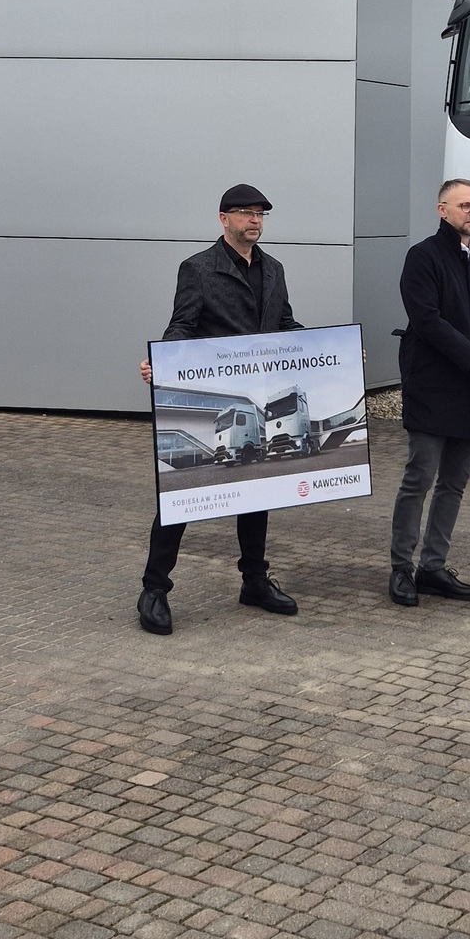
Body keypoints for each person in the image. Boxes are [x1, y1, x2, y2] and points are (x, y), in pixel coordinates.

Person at [135, 184, 303, 636]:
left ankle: (253, 582)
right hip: (215, 401)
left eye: (261, 214)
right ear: (223, 219)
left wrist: (334, 351)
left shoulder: (274, 269)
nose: (255, 221)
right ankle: (154, 589)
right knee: (185, 490)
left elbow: (285, 325)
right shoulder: (198, 269)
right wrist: (164, 362)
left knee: (257, 492)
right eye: (246, 213)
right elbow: (182, 325)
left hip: (257, 399)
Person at [390, 178, 470, 607]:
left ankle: (433, 567)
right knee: (419, 478)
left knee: (455, 483)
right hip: (433, 385)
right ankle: (400, 569)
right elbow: (427, 320)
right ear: (442, 211)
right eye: (465, 205)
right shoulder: (423, 257)